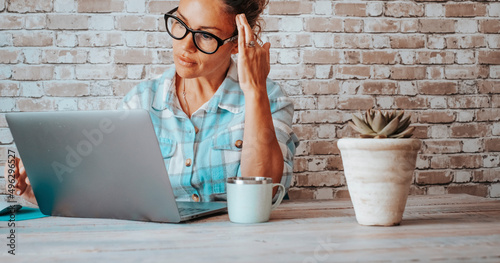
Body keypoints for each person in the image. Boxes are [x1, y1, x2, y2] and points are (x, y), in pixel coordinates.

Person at [4, 0, 299, 204]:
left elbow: (263, 198)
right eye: (180, 24)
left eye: (205, 36)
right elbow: (113, 194)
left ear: (236, 43)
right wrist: (43, 193)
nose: (184, 46)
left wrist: (255, 90)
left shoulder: (270, 99)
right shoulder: (141, 103)